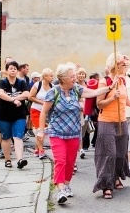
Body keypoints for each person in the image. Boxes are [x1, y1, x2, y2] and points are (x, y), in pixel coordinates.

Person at [39, 63, 112, 204]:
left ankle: (66, 185)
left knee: (70, 162)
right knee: (60, 160)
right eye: (72, 76)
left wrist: (109, 88)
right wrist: (41, 131)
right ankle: (60, 191)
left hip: (73, 133)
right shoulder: (53, 92)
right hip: (57, 133)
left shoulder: (76, 90)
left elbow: (92, 93)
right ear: (63, 78)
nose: (75, 78)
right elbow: (44, 112)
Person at [93, 53, 130, 199]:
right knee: (109, 154)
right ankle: (106, 185)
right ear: (116, 66)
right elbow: (99, 103)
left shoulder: (123, 81)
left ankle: (115, 177)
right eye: (123, 65)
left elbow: (126, 101)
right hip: (107, 121)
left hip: (122, 121)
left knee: (121, 154)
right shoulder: (105, 82)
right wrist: (112, 97)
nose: (125, 67)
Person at [0, 61, 31, 169]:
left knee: (18, 136)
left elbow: (27, 94)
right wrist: (13, 100)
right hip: (3, 114)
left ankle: (20, 160)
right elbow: (0, 93)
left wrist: (13, 98)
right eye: (11, 68)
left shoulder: (21, 83)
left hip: (19, 114)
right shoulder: (2, 82)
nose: (13, 70)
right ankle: (8, 159)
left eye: (15, 68)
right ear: (7, 70)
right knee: (6, 137)